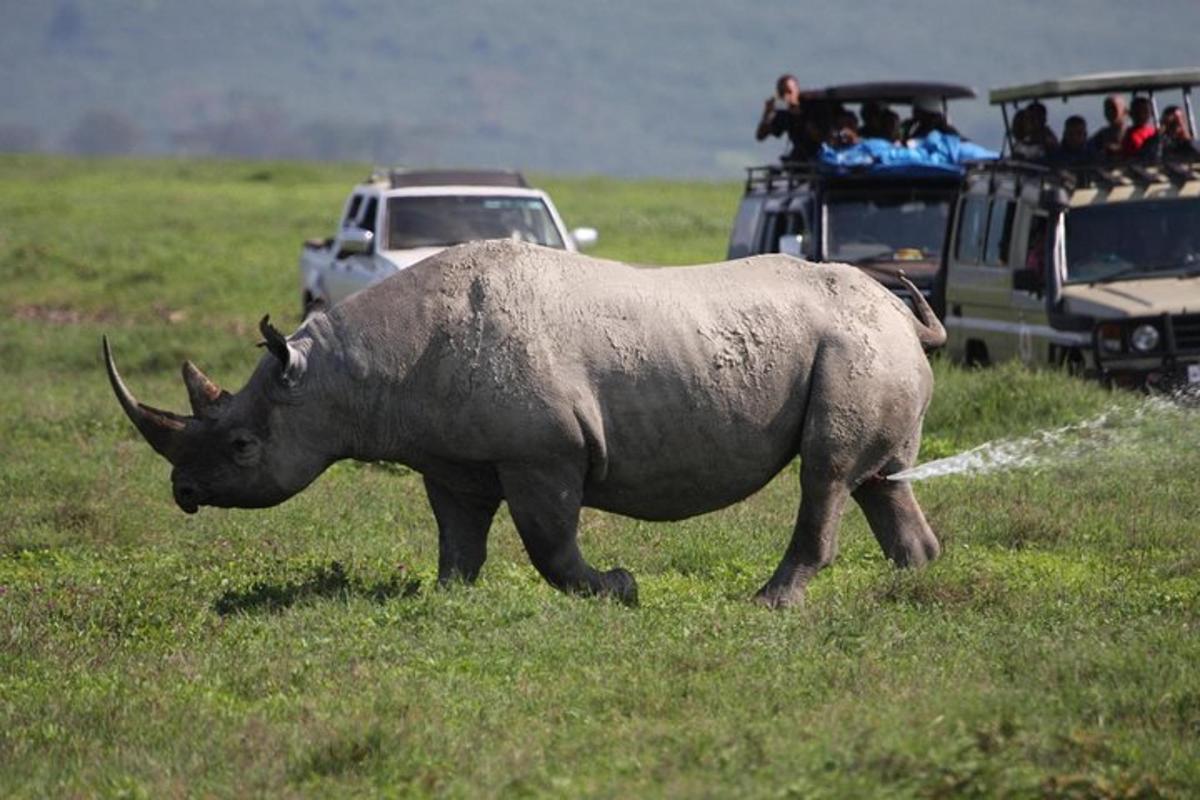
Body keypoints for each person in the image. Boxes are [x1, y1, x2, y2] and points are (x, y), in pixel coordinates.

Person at [755, 74, 811, 162]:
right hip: (801, 158)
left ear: (797, 90)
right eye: (782, 93)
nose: (786, 96)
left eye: (789, 92)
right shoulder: (784, 113)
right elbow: (760, 136)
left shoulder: (811, 105)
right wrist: (767, 114)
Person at [1087, 95, 1127, 161]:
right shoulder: (1099, 137)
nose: (1110, 112)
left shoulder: (1133, 134)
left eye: (1113, 108)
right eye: (1107, 109)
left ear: (1125, 111)